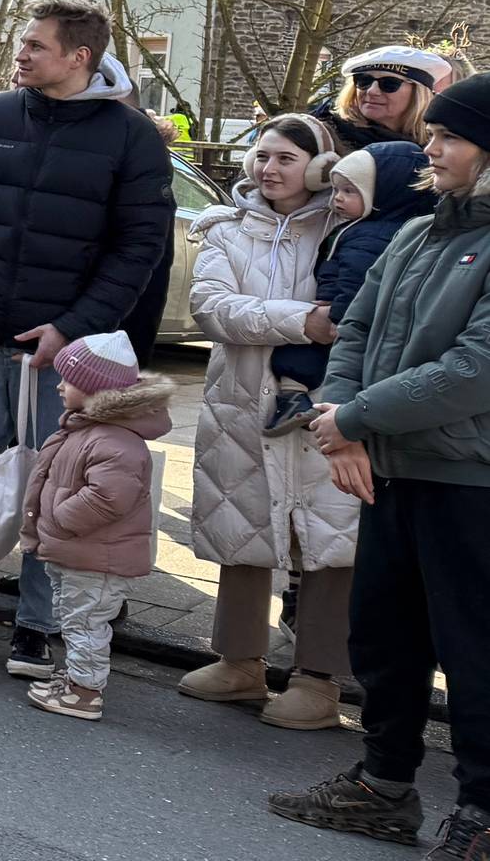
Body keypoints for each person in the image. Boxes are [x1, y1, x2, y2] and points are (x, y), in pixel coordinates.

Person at [269, 72, 490, 856]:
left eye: (450, 138)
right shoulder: (417, 231)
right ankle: (383, 787)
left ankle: (480, 813)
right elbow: (355, 330)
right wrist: (343, 426)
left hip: (469, 481)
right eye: (434, 136)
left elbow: (474, 369)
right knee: (386, 638)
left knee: (473, 650)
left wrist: (355, 419)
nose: (432, 149)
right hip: (390, 465)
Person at [0, 0, 172, 673]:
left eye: (35, 44)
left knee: (56, 486)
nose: (20, 53)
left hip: (67, 355)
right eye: (23, 42)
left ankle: (38, 624)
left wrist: (74, 328)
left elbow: (139, 249)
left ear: (79, 56)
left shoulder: (131, 137)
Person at [180, 111, 355, 728]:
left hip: (320, 401)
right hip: (240, 402)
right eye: (262, 154)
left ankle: (318, 681)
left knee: (329, 538)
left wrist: (286, 319)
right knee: (242, 527)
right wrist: (304, 320)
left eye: (285, 158)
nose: (268, 168)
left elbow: (353, 312)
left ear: (320, 166)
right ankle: (239, 662)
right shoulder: (225, 227)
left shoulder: (345, 226)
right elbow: (211, 308)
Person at [17, 331, 172, 722]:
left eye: (68, 380)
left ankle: (85, 692)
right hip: (80, 551)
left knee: (85, 622)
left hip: (96, 556)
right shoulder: (89, 429)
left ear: (95, 389)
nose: (59, 386)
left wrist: (60, 518)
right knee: (75, 618)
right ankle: (76, 678)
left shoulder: (113, 440)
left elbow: (108, 497)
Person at [274, 142, 433, 392]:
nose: (337, 198)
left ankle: (294, 398)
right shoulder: (363, 227)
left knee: (305, 362)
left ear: (383, 193)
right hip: (336, 309)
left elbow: (358, 280)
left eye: (350, 191)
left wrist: (339, 315)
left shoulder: (372, 236)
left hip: (342, 317)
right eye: (336, 189)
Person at [311, 45, 452, 155]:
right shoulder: (319, 135)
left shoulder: (436, 150)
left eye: (389, 83)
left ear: (418, 94)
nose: (372, 91)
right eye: (364, 81)